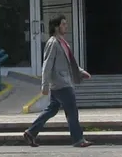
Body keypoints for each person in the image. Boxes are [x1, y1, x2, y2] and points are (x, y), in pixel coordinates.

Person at [22, 16, 92, 148]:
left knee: (52, 110)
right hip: (61, 83)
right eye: (64, 24)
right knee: (71, 111)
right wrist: (44, 85)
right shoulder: (53, 43)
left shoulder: (63, 42)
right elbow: (47, 65)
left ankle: (31, 132)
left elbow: (70, 63)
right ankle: (78, 139)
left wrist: (81, 72)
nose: (66, 26)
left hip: (61, 82)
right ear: (56, 27)